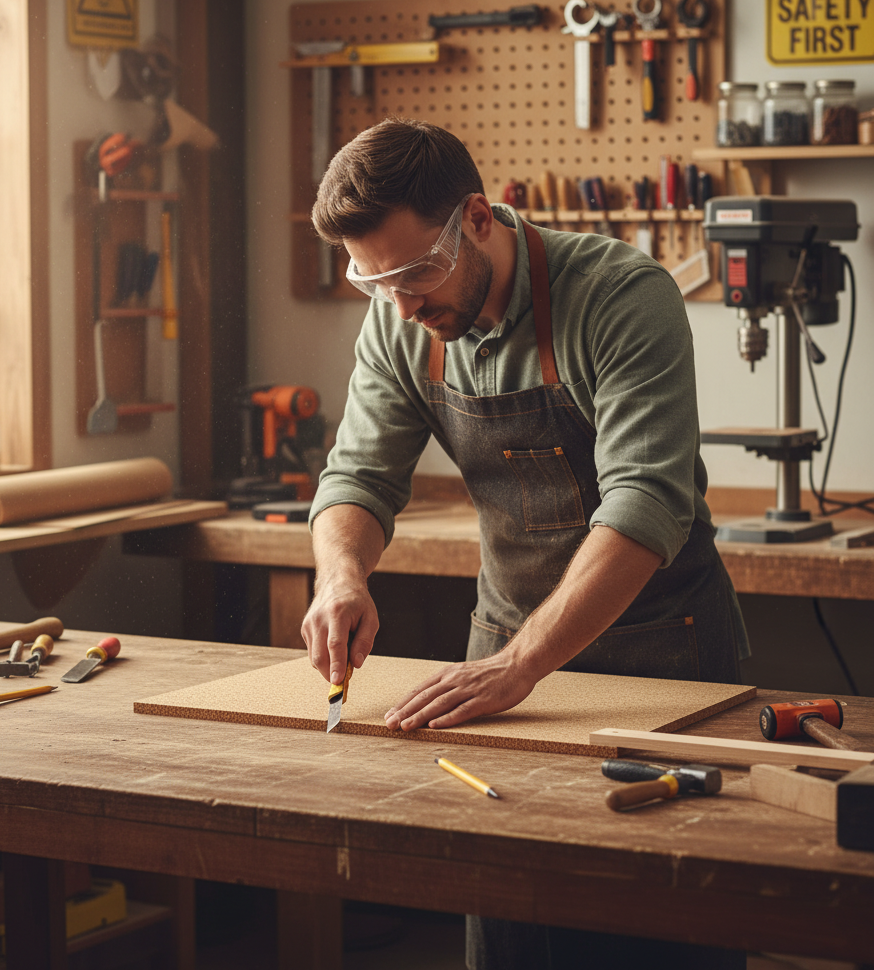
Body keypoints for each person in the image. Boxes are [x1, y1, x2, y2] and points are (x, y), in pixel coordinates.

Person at [301, 117, 749, 969]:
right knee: (512, 921)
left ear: (477, 217)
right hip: (500, 665)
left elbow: (648, 502)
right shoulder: (403, 321)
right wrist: (340, 577)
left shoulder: (619, 296)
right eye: (372, 281)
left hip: (662, 661)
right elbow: (356, 477)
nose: (400, 305)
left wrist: (523, 665)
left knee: (660, 928)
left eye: (414, 272)